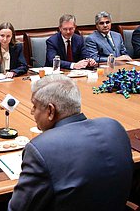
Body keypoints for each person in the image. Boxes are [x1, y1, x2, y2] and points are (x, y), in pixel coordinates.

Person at [8, 74, 133, 211]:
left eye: (35, 106)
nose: (32, 111)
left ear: (51, 110)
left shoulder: (40, 148)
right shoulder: (114, 127)